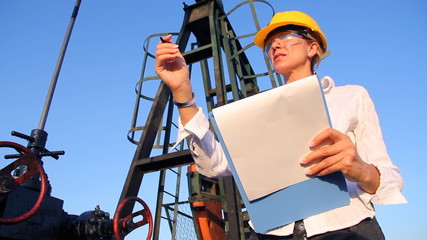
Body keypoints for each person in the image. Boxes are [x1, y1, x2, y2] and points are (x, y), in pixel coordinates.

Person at [155, 10, 407, 240]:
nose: (274, 45)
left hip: (346, 230)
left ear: (312, 47)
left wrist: (361, 170)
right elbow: (214, 165)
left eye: (285, 36)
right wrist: (183, 92)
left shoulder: (351, 96)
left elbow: (388, 179)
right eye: (269, 44)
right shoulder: (254, 113)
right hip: (271, 234)